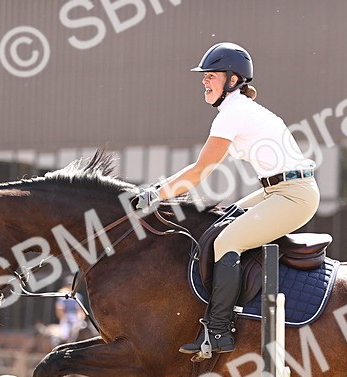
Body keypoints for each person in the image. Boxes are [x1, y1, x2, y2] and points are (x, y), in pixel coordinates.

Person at [132, 42, 319, 358]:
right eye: (204, 76)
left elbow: (200, 171)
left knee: (226, 242)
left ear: (232, 80)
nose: (204, 80)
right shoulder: (238, 111)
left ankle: (218, 330)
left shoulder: (233, 113)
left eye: (211, 75)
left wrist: (156, 193)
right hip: (278, 190)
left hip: (292, 196)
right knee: (223, 221)